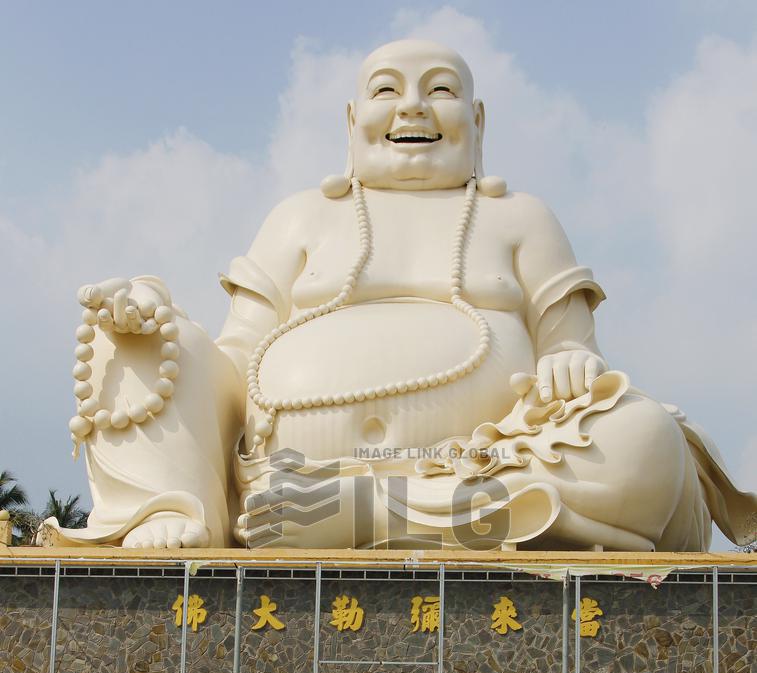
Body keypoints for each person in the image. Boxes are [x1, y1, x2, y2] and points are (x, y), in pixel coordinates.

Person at [52, 40, 755, 552]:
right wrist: (153, 319)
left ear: (477, 121)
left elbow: (573, 351)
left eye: (440, 90)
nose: (413, 105)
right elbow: (236, 359)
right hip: (282, 477)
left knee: (644, 440)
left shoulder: (521, 219)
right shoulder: (300, 218)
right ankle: (177, 508)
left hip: (484, 465)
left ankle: (375, 512)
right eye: (387, 90)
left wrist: (566, 362)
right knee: (141, 339)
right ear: (350, 121)